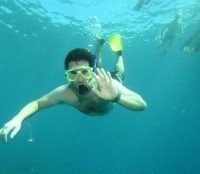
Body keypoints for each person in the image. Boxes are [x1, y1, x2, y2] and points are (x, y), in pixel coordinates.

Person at [0, 34, 147, 143]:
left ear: (91, 72)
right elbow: (37, 103)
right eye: (73, 74)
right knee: (98, 65)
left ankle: (119, 55)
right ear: (67, 76)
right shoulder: (65, 92)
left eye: (85, 72)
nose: (80, 79)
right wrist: (17, 119)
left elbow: (142, 105)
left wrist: (116, 96)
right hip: (97, 75)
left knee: (119, 72)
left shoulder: (110, 86)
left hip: (111, 82)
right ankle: (99, 46)